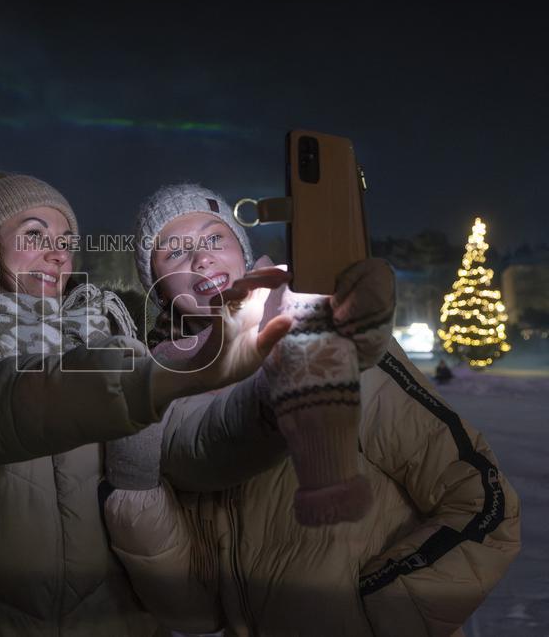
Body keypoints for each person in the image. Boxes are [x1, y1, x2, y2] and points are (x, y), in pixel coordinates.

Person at [0, 171, 293, 635]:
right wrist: (140, 381)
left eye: (65, 239)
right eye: (34, 234)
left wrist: (277, 395)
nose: (57, 251)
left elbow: (189, 444)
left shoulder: (110, 336)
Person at [102, 183, 521, 636]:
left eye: (213, 238)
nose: (201, 260)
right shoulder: (160, 392)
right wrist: (135, 491)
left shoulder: (326, 330)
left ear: (241, 249)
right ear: (157, 285)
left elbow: (482, 502)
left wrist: (378, 613)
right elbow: (197, 608)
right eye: (174, 253)